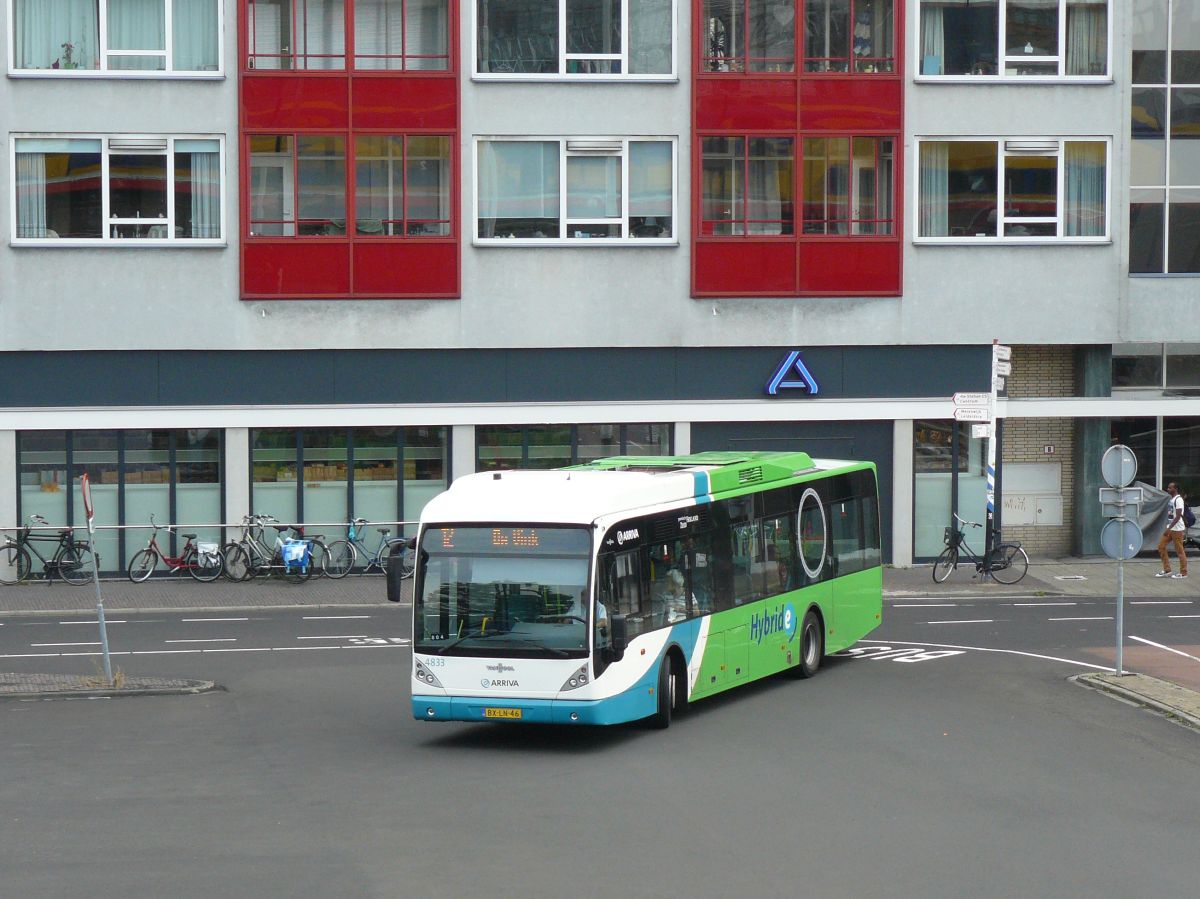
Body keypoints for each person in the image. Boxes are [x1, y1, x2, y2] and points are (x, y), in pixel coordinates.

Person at [1155, 482, 1188, 579]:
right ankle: (1167, 570)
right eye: (1168, 487)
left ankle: (1183, 572)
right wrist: (1169, 528)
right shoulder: (1172, 499)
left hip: (1177, 529)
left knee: (1180, 551)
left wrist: (1168, 529)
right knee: (1161, 546)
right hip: (1171, 528)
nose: (1168, 489)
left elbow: (1178, 517)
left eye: (1170, 488)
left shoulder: (1178, 500)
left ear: (1175, 489)